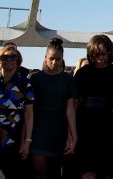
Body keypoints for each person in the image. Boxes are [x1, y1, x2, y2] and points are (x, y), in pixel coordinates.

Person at [74, 34, 113, 179]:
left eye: (104, 54)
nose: (100, 58)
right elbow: (75, 103)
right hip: (85, 127)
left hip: (108, 126)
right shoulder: (82, 73)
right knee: (87, 171)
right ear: (90, 54)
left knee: (105, 170)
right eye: (96, 55)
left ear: (110, 53)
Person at [0, 45, 35, 179]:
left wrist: (27, 141)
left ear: (18, 61)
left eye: (14, 57)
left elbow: (29, 114)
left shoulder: (25, 84)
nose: (10, 60)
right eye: (5, 57)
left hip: (14, 139)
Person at [29, 37, 77, 179]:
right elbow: (29, 109)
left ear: (62, 59)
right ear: (45, 57)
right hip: (39, 128)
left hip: (58, 128)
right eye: (51, 58)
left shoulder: (67, 80)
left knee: (54, 170)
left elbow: (70, 109)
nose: (54, 62)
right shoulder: (35, 78)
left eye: (58, 59)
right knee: (39, 170)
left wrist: (73, 134)